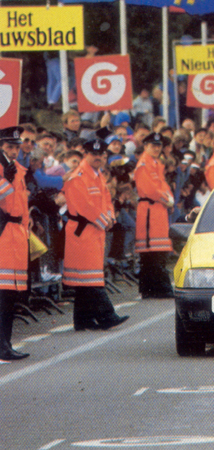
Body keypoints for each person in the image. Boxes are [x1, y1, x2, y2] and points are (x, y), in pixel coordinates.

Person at [63, 139, 129, 331]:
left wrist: (109, 218)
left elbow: (107, 200)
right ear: (86, 154)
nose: (98, 157)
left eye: (101, 155)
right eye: (94, 154)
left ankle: (82, 320)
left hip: (95, 231)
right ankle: (107, 315)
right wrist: (104, 221)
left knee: (86, 278)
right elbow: (83, 206)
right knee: (91, 278)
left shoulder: (98, 175)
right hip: (83, 231)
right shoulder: (78, 177)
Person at [0, 127, 30, 360]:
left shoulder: (18, 169)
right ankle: (3, 346)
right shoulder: (6, 170)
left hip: (17, 234)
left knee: (9, 294)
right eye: (9, 146)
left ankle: (5, 344)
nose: (14, 151)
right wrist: (6, 180)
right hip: (4, 233)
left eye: (16, 147)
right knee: (3, 294)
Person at [134, 132, 175, 298]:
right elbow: (150, 189)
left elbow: (162, 185)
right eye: (153, 145)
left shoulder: (156, 163)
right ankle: (159, 287)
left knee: (156, 251)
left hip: (158, 210)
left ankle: (151, 288)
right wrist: (167, 199)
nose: (157, 148)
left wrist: (168, 197)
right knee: (152, 252)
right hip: (150, 210)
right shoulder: (144, 164)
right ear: (145, 146)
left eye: (159, 146)